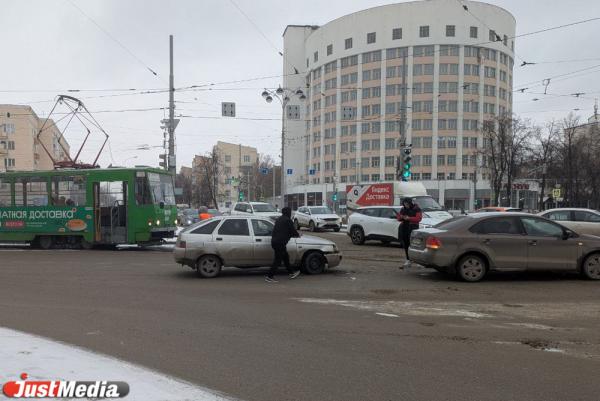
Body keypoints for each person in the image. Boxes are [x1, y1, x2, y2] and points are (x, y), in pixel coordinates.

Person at [266, 206, 301, 283]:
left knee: (285, 257)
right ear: (288, 212)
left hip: (275, 242)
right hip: (280, 243)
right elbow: (292, 230)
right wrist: (298, 235)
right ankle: (269, 277)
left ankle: (291, 273)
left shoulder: (279, 219)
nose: (291, 213)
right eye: (290, 212)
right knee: (278, 260)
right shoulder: (288, 220)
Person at [397, 197, 422, 269]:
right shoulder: (403, 209)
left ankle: (419, 262)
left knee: (415, 245)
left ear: (410, 203)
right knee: (406, 244)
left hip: (413, 228)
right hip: (404, 228)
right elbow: (398, 217)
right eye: (404, 204)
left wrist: (409, 218)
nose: (406, 205)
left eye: (407, 204)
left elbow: (418, 219)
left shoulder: (416, 208)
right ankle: (408, 260)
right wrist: (401, 217)